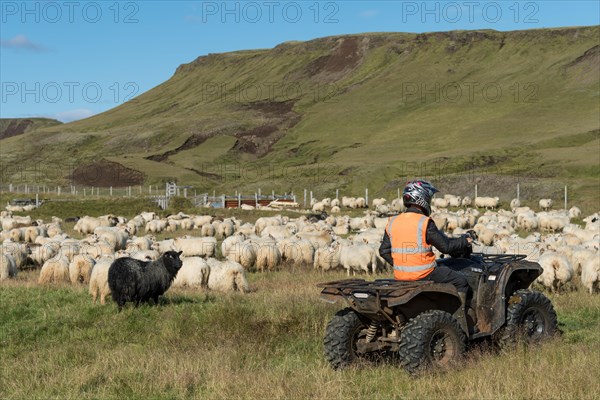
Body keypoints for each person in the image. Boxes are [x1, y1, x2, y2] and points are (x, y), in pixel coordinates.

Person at [379, 180, 473, 316]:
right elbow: (446, 247)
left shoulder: (393, 221)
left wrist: (401, 265)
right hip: (425, 274)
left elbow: (383, 251)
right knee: (461, 281)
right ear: (422, 198)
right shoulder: (424, 222)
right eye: (429, 198)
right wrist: (464, 241)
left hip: (400, 276)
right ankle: (459, 319)